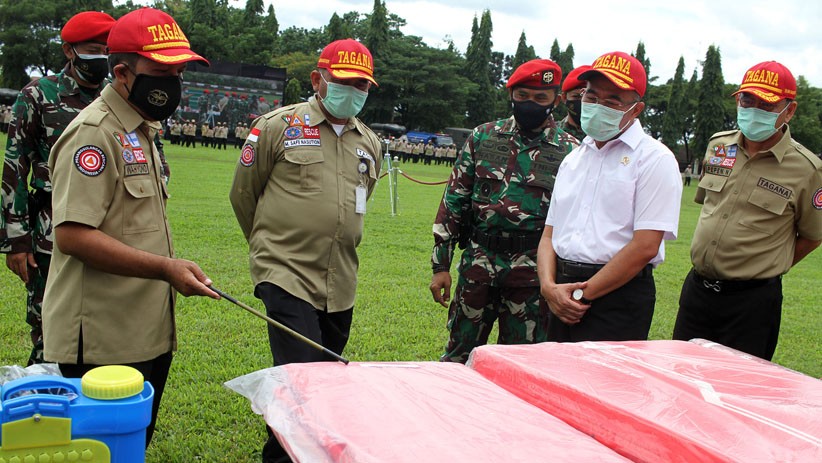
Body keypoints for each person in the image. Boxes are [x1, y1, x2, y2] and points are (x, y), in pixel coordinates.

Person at [42, 7, 219, 447]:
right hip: (104, 338)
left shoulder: (140, 129)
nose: (173, 82)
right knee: (101, 451)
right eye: (162, 71)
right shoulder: (94, 134)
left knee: (131, 447)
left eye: (178, 71)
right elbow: (72, 235)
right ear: (121, 72)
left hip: (143, 330)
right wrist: (165, 268)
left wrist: (166, 269)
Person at [229, 38, 382, 463]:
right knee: (304, 376)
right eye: (343, 82)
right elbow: (244, 194)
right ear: (318, 79)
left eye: (362, 86)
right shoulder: (278, 126)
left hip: (340, 280)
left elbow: (361, 198)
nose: (352, 92)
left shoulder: (369, 143)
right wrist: (268, 249)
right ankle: (283, 458)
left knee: (325, 380)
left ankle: (294, 449)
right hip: (285, 272)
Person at [430, 59, 579, 363]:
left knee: (520, 364)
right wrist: (440, 265)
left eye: (541, 98)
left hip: (532, 274)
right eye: (523, 96)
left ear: (556, 100)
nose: (530, 104)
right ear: (511, 94)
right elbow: (454, 201)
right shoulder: (483, 137)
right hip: (478, 264)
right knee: (459, 356)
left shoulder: (571, 151)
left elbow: (573, 221)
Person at [672, 61, 822, 360]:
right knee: (681, 378)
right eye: (747, 100)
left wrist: (766, 265)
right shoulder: (719, 145)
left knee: (735, 391)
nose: (753, 110)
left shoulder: (807, 169)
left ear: (788, 111)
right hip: (697, 291)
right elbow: (709, 206)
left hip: (751, 304)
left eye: (766, 104)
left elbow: (813, 235)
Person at [536, 51, 682, 342]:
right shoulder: (574, 158)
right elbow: (550, 234)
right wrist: (549, 287)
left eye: (612, 100)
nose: (598, 106)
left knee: (606, 385)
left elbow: (645, 247)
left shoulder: (654, 159)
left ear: (636, 109)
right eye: (591, 97)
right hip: (560, 291)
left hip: (617, 297)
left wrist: (579, 294)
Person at [1, 11, 115, 365]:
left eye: (107, 50)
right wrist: (16, 241)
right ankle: (44, 410)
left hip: (110, 231)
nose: (102, 58)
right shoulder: (39, 94)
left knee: (105, 331)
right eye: (94, 49)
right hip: (50, 233)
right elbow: (15, 165)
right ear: (69, 51)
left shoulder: (118, 96)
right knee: (49, 331)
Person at [559, 65, 591, 141]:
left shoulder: (607, 137)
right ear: (564, 98)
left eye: (589, 98)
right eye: (576, 96)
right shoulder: (554, 135)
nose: (582, 101)